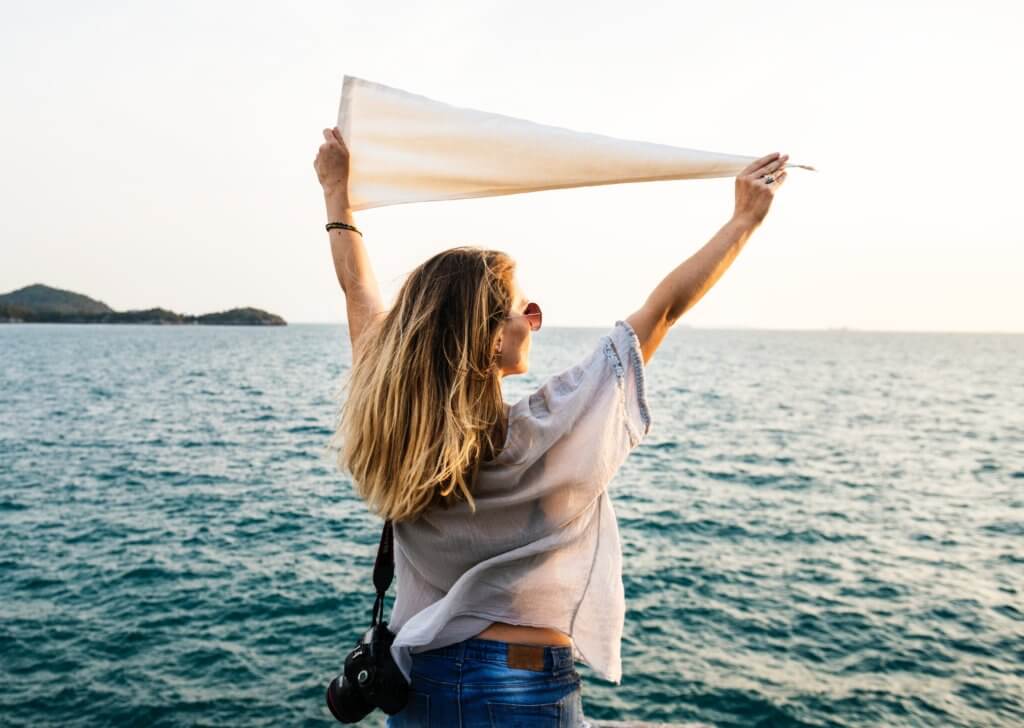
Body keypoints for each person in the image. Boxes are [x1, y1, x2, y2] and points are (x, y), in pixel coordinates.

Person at [314, 126, 787, 727]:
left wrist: (336, 192)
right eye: (525, 310)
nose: (534, 321)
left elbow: (358, 290)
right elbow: (663, 310)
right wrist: (744, 219)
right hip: (525, 687)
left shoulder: (394, 430)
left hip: (421, 687)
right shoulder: (549, 429)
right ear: (490, 339)